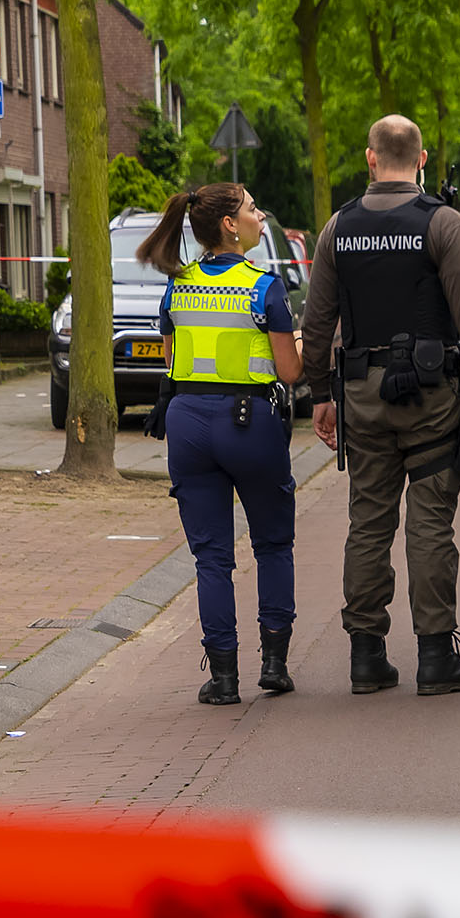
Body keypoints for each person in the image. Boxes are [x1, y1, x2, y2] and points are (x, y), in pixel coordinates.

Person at [303, 114, 460, 696]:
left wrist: (321, 395)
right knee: (429, 521)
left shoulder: (337, 228)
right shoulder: (444, 223)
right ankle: (435, 657)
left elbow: (317, 322)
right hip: (431, 396)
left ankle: (366, 658)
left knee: (368, 520)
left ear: (370, 158)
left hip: (361, 396)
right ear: (421, 161)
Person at [136, 184, 303, 705]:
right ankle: (274, 665)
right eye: (253, 208)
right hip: (249, 422)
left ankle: (224, 678)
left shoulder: (177, 285)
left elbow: (171, 359)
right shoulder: (263, 288)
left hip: (187, 424)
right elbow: (290, 371)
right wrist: (298, 343)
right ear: (230, 224)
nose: (260, 215)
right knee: (272, 543)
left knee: (211, 558)